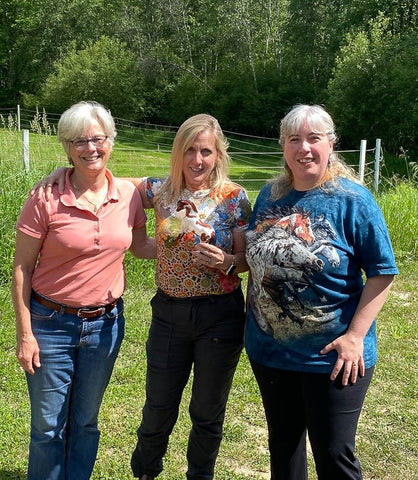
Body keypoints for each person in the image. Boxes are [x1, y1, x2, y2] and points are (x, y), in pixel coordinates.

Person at [35, 113, 252, 480]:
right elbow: (102, 179)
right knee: (158, 406)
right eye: (188, 150)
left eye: (205, 151)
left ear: (218, 155)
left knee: (207, 411)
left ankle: (200, 475)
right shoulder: (159, 190)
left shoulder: (235, 198)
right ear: (177, 152)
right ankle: (146, 472)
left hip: (220, 314)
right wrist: (62, 170)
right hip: (169, 313)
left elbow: (246, 261)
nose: (196, 160)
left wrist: (228, 260)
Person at [244, 104, 398, 480]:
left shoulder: (352, 200)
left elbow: (383, 272)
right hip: (270, 352)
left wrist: (355, 337)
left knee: (334, 454)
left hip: (332, 357)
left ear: (330, 144)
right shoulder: (269, 195)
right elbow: (256, 257)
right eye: (294, 139)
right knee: (283, 448)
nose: (304, 148)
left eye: (314, 138)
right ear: (283, 146)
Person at [12, 101, 156, 480]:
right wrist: (25, 334)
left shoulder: (128, 194)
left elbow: (141, 246)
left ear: (111, 141)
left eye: (98, 138)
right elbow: (22, 268)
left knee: (86, 421)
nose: (90, 148)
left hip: (104, 327)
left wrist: (183, 247)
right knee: (48, 428)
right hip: (49, 323)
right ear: (66, 147)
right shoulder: (44, 197)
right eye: (80, 141)